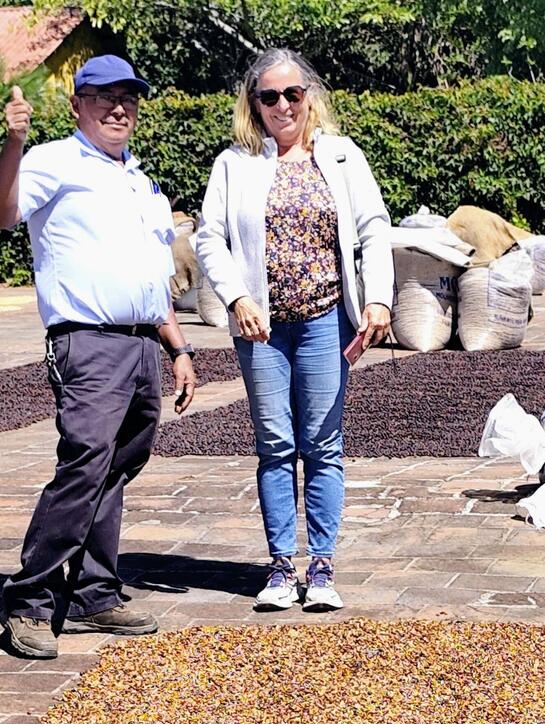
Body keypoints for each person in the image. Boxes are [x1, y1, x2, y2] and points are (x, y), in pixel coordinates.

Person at [0, 56, 197, 660]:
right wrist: (14, 141)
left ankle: (95, 593)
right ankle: (29, 600)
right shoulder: (53, 160)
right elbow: (2, 214)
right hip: (89, 342)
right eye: (103, 97)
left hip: (141, 344)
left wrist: (176, 346)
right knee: (84, 464)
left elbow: (151, 278)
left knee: (114, 469)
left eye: (128, 96)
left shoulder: (140, 183)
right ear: (78, 104)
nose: (118, 107)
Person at [196, 48, 393, 612]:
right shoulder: (234, 163)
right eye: (269, 96)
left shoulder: (340, 156)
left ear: (310, 96)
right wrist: (236, 297)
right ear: (253, 104)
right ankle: (282, 567)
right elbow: (209, 237)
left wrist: (378, 298)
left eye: (293, 94)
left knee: (324, 444)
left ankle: (323, 565)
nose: (283, 105)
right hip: (262, 328)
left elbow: (373, 228)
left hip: (325, 319)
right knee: (276, 444)